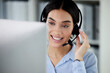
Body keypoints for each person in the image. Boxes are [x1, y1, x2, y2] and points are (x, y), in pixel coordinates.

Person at [40, 0, 98, 73]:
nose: (57, 32)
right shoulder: (33, 55)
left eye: (65, 26)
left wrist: (78, 59)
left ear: (74, 28)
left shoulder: (88, 59)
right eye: (51, 23)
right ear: (43, 22)